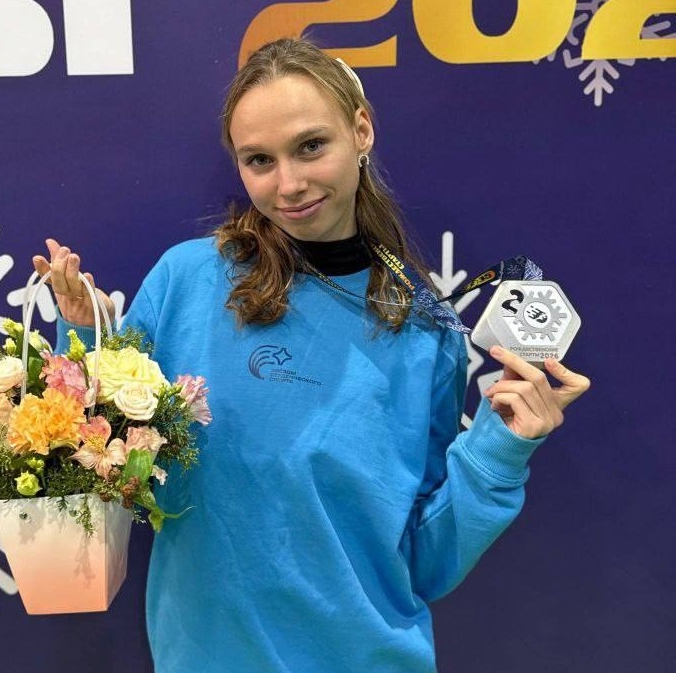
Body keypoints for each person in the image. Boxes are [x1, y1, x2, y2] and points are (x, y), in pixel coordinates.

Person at [32, 38, 590, 673]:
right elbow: (95, 467)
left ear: (361, 130)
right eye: (259, 160)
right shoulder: (185, 282)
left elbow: (425, 562)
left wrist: (499, 449)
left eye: (311, 146)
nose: (289, 184)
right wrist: (82, 342)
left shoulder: (424, 330)